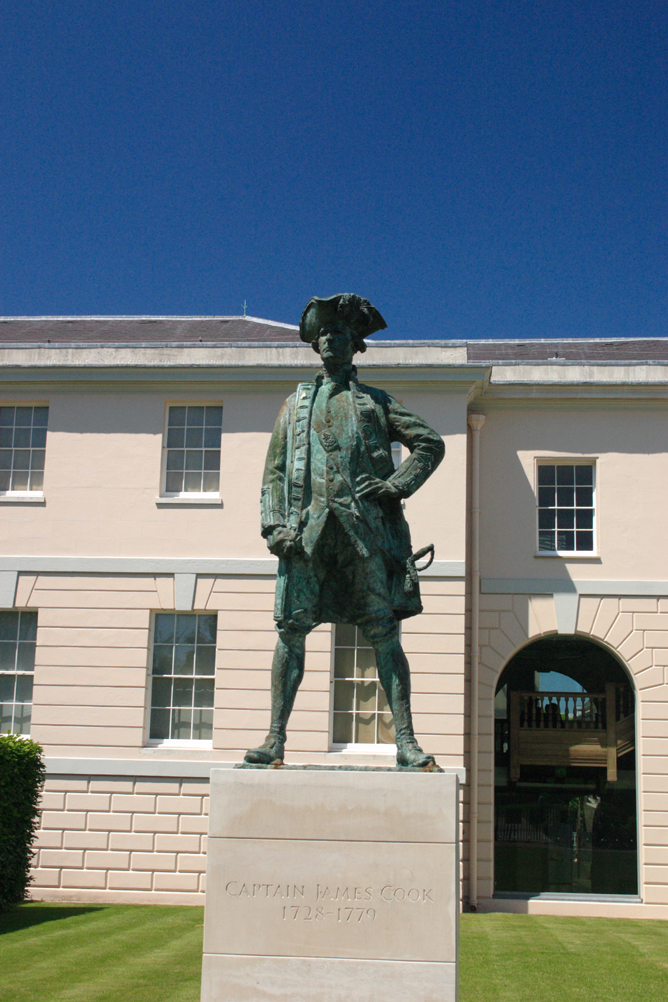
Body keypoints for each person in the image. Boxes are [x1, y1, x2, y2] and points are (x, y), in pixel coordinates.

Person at [244, 294, 445, 768]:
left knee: (385, 635)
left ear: (356, 345)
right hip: (307, 534)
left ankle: (406, 742)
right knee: (291, 634)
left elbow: (429, 444)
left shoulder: (376, 403)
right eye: (324, 333)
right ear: (316, 343)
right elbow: (273, 474)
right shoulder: (294, 407)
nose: (331, 339)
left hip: (363, 533)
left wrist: (395, 486)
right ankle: (275, 739)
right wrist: (274, 527)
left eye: (340, 333)